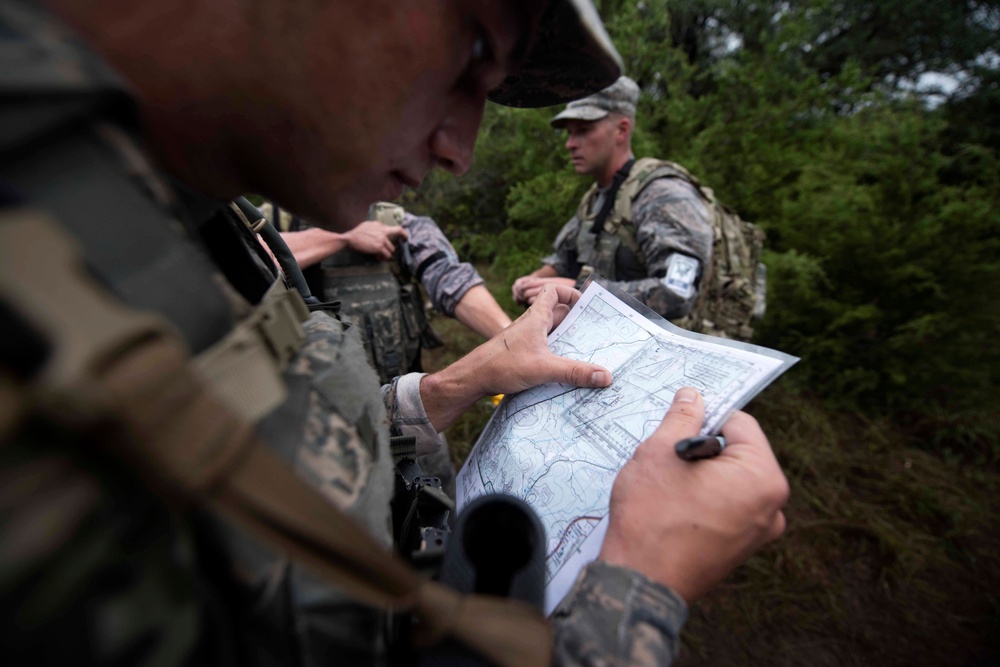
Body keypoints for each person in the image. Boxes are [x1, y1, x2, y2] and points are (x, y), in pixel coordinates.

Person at [0, 2, 789, 666]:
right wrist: (639, 585)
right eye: (470, 55)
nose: (460, 148)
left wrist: (454, 383)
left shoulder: (208, 224)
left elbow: (275, 426)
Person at [512, 76, 715, 323]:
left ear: (621, 130)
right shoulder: (595, 198)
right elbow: (563, 259)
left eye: (583, 130)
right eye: (569, 133)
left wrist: (582, 290)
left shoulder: (663, 195)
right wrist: (533, 281)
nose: (570, 144)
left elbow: (678, 293)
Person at [269, 201, 513, 382]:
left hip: (407, 399)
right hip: (320, 412)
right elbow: (253, 255)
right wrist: (344, 237)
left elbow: (449, 277)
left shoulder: (392, 221)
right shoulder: (271, 221)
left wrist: (510, 337)